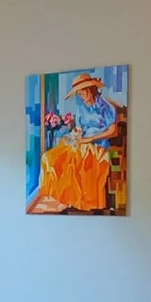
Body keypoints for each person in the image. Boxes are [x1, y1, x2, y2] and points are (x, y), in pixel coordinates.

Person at [38, 73, 118, 211]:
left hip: (97, 144)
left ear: (90, 90)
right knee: (50, 157)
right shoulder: (81, 109)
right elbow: (80, 128)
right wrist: (76, 134)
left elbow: (113, 131)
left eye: (82, 93)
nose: (81, 97)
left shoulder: (106, 107)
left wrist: (90, 139)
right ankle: (65, 197)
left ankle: (81, 201)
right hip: (82, 140)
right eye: (79, 94)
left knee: (79, 157)